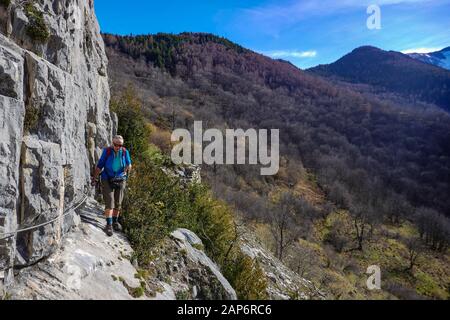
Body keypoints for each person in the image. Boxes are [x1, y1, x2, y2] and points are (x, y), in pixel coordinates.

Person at [92, 135, 132, 236]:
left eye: (120, 145)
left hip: (120, 179)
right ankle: (109, 225)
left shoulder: (124, 152)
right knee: (110, 202)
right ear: (112, 143)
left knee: (118, 202)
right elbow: (100, 165)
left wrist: (127, 170)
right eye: (116, 144)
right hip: (107, 178)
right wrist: (95, 178)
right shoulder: (107, 151)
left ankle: (115, 221)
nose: (118, 147)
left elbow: (129, 163)